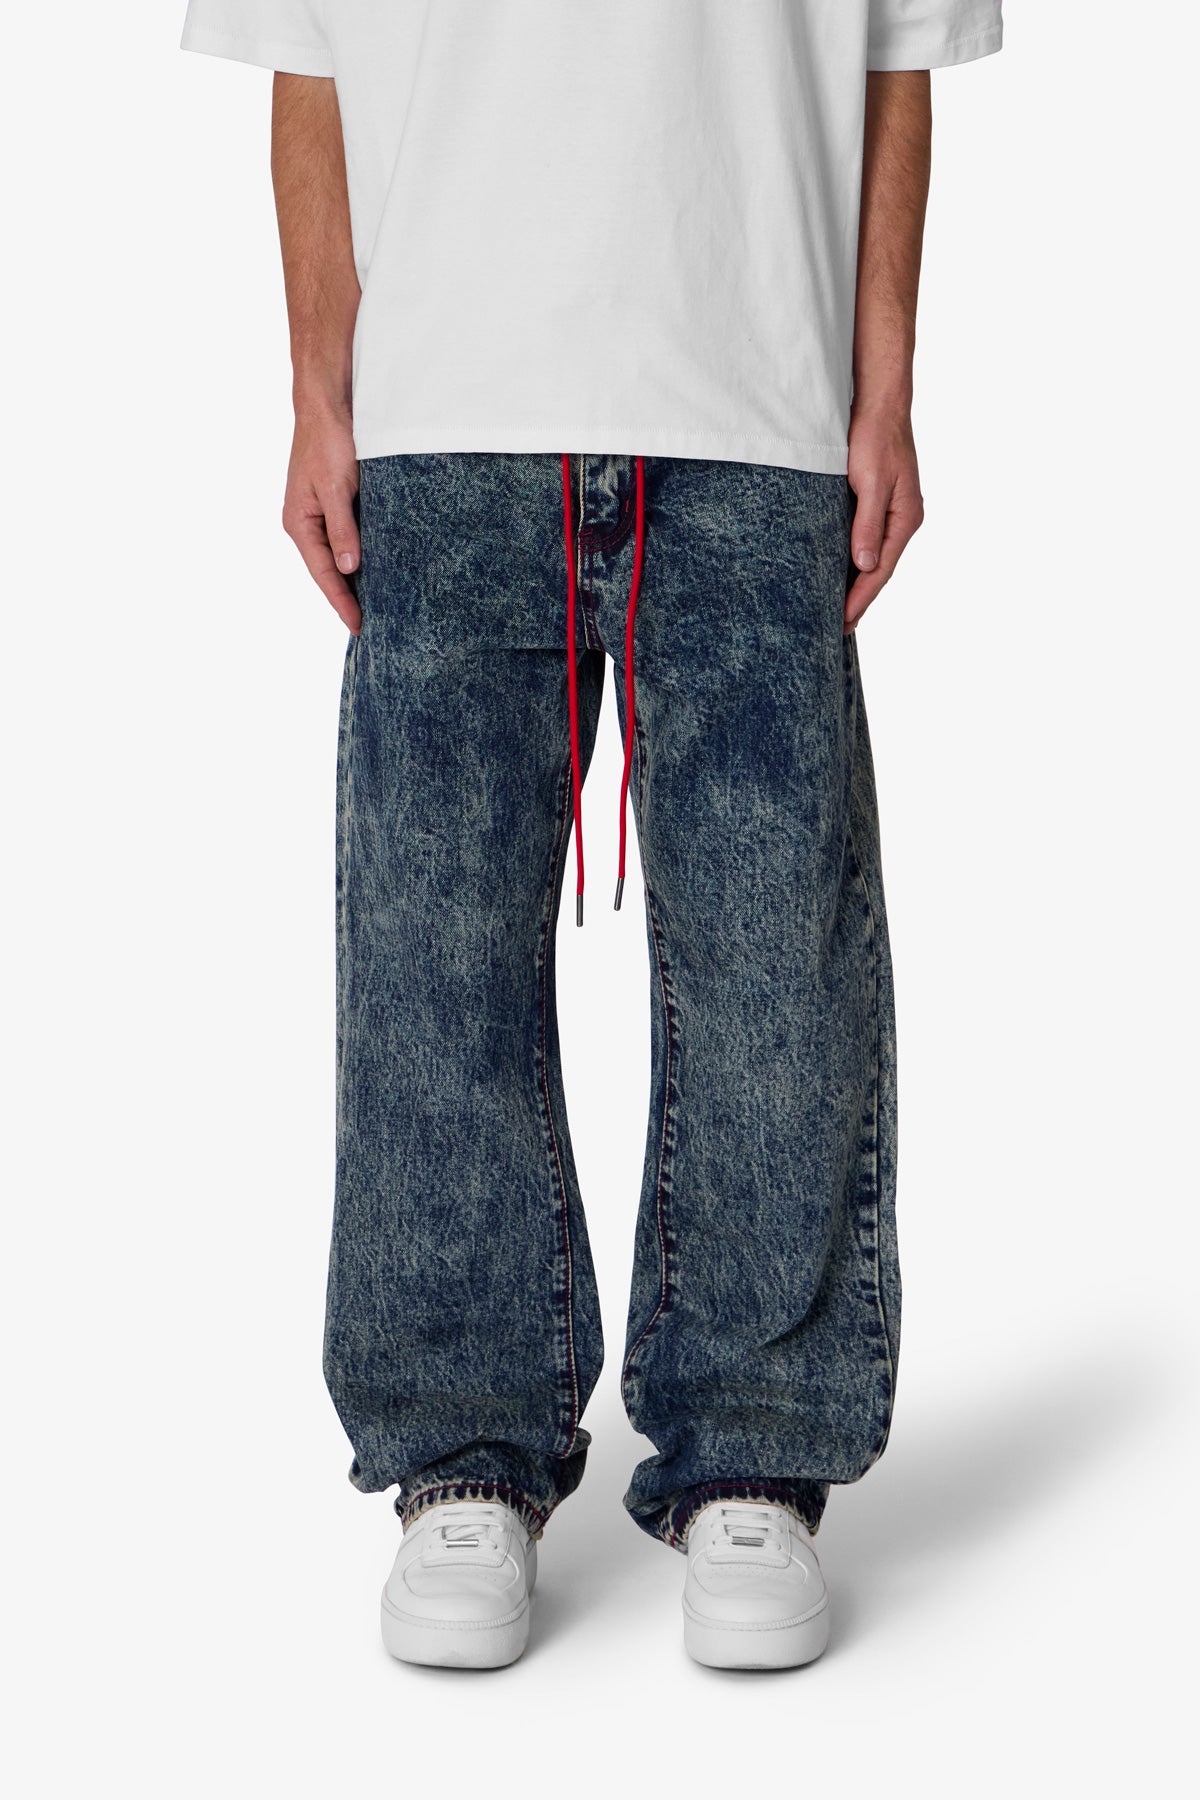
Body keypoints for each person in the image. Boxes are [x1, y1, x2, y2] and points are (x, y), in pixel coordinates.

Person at [181, 0, 1003, 1671]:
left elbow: (896, 54)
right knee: (432, 969)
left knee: (775, 964)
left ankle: (753, 1449)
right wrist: (318, 387)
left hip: (756, 397)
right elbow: (307, 52)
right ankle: (460, 1454)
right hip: (442, 408)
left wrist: (887, 382)